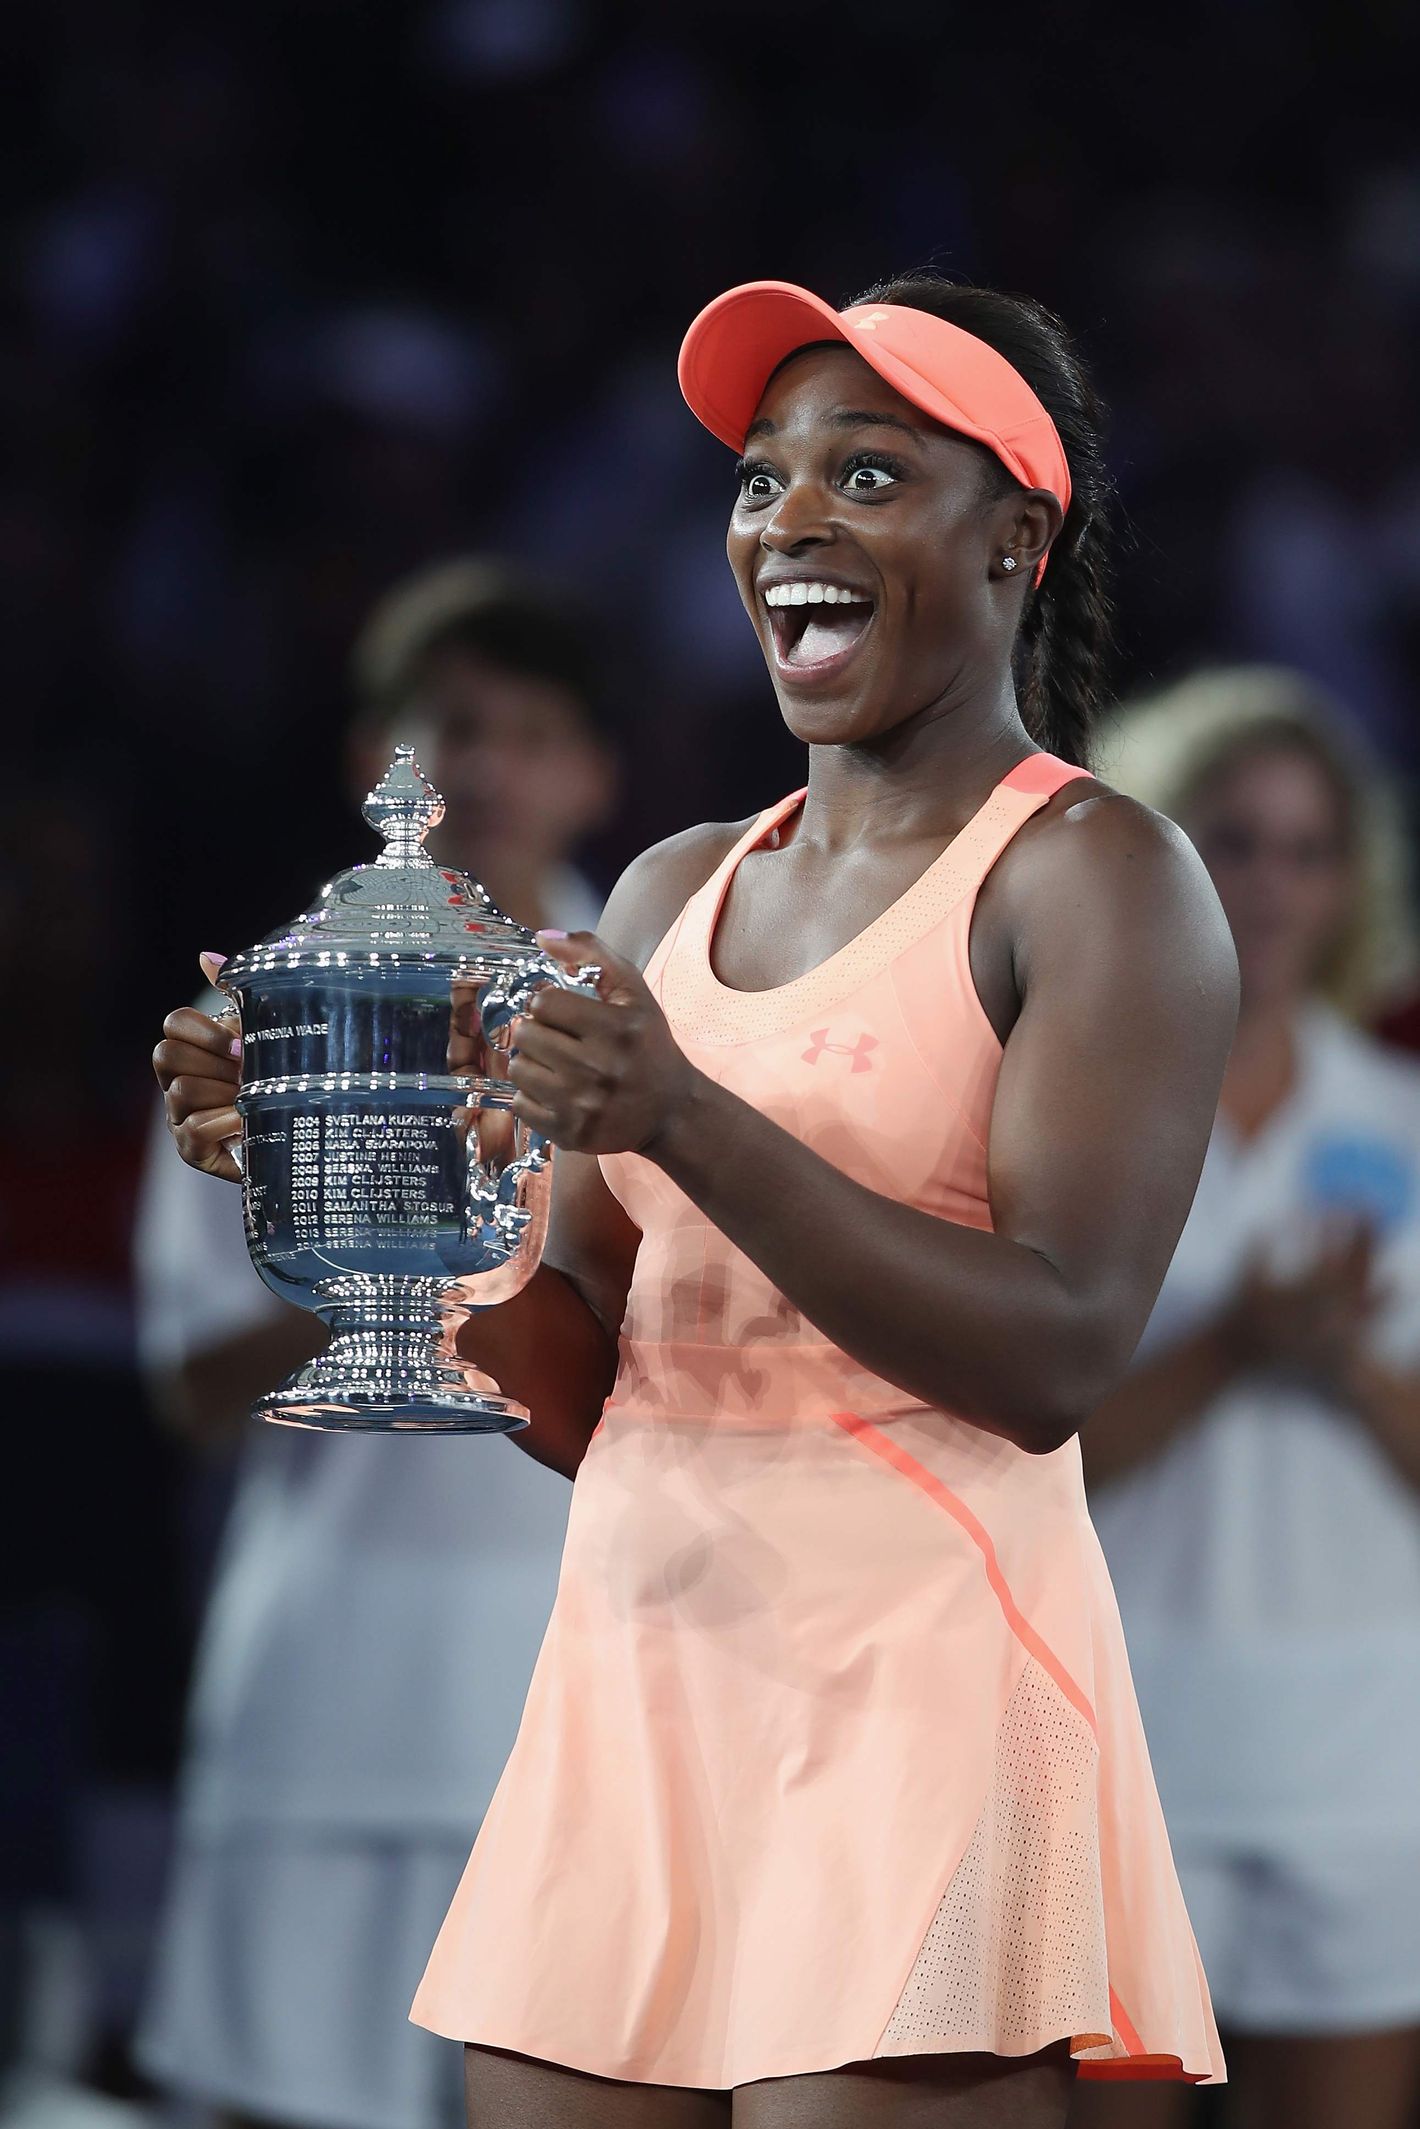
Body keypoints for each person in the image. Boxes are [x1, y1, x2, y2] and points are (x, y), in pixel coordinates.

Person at [155, 277, 1238, 2126]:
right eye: (760, 481)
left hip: (922, 1700)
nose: (789, 521)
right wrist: (358, 1177)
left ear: (1016, 543)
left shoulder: (1098, 876)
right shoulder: (669, 891)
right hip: (635, 1675)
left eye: (868, 474)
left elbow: (1058, 1343)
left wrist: (691, 1117)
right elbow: (588, 1385)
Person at [136, 559, 616, 2129]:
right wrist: (377, 1210)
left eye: (531, 732)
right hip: (324, 1698)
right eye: (453, 726)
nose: (485, 767)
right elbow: (197, 1389)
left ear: (590, 771)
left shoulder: (662, 1010)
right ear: (375, 759)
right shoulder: (263, 1013)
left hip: (589, 1702)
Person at [1074, 669, 1420, 2129]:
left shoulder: (1404, 1124)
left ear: (1355, 881)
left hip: (1362, 1753)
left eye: (1307, 848)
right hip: (1119, 1744)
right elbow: (1011, 1453)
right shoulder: (1072, 1111)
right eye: (1231, 837)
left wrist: (1339, 1362)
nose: (1271, 884)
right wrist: (1228, 1349)